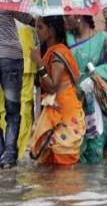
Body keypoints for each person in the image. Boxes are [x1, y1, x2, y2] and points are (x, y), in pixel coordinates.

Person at [28, 16, 86, 165]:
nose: (36, 31)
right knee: (51, 169)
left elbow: (53, 85)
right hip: (56, 112)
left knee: (63, 169)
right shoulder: (52, 51)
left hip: (65, 114)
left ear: (51, 31)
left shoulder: (58, 53)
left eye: (40, 27)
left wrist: (39, 63)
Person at [65, 15, 107, 163]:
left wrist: (94, 76)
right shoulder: (65, 39)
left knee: (95, 146)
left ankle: (95, 184)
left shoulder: (103, 39)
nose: (66, 19)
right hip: (71, 100)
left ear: (80, 17)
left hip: (96, 99)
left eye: (68, 16)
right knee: (72, 147)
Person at [0, 11, 34, 168]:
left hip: (10, 58)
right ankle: (9, 156)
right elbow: (28, 19)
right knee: (13, 112)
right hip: (11, 58)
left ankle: (2, 151)